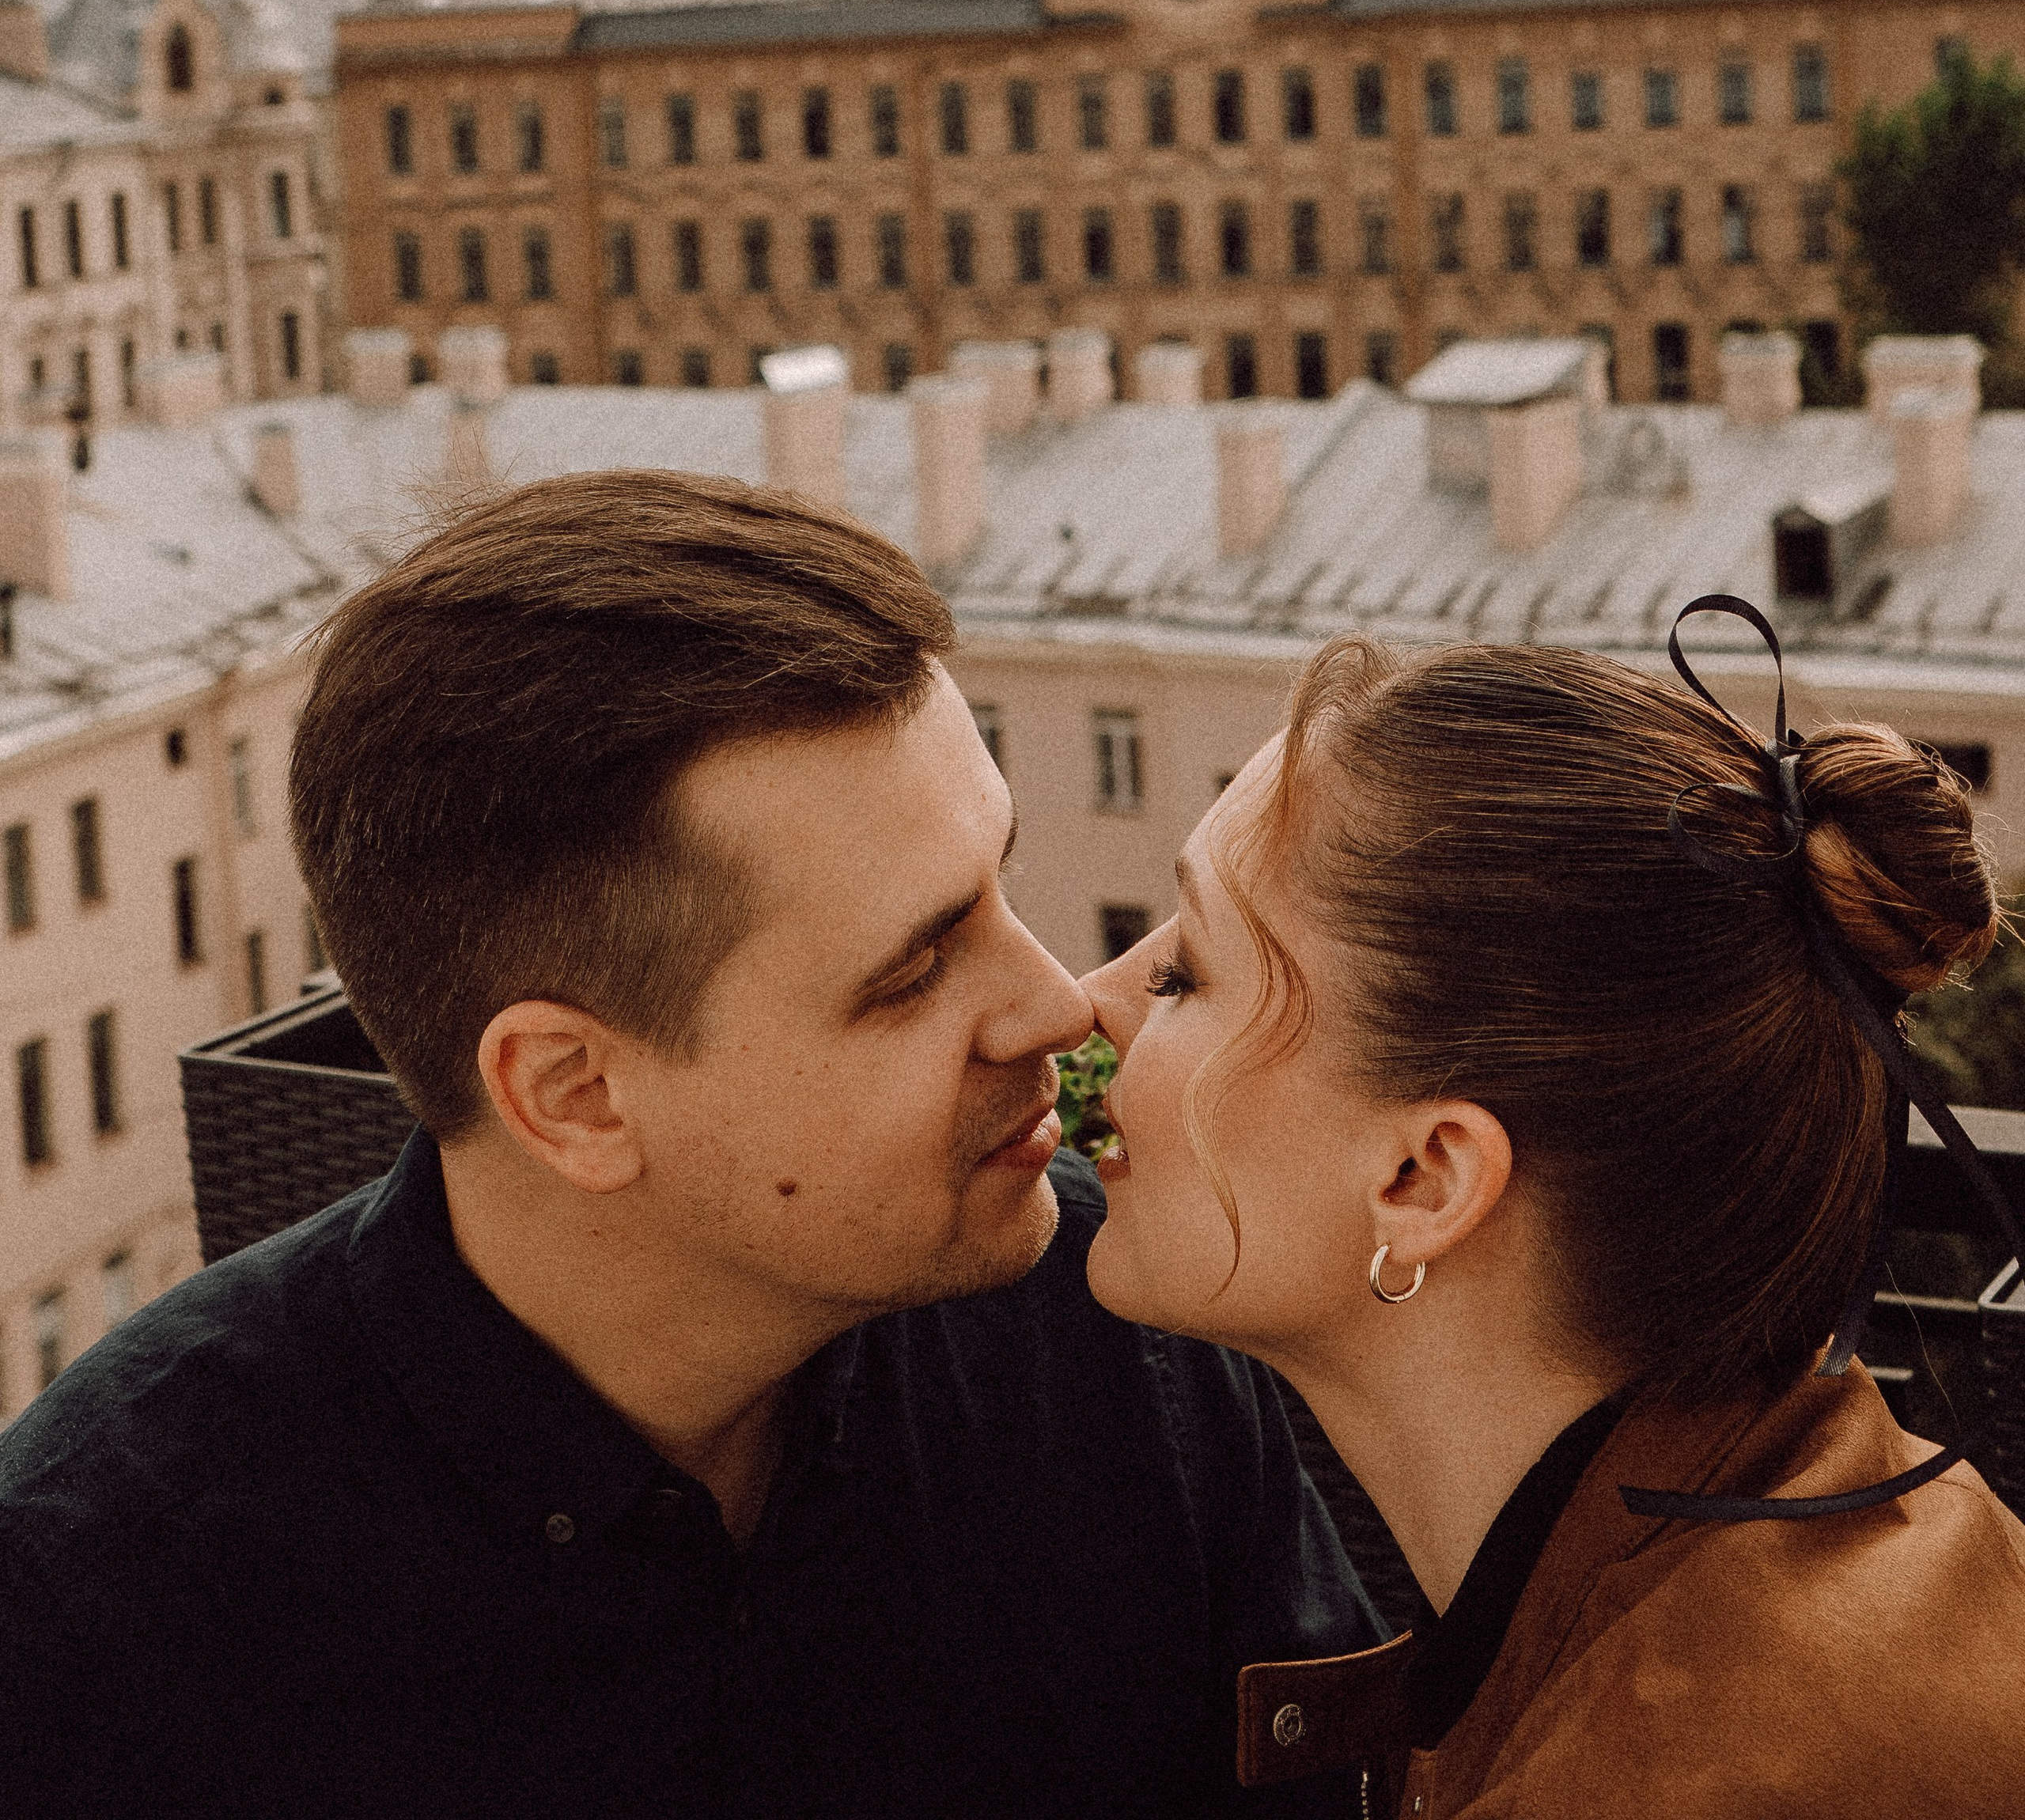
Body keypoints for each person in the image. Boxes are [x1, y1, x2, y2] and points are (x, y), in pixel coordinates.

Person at [0, 474, 1376, 1820]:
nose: (1057, 1004)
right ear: (574, 1094)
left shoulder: (1111, 1341)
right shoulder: (101, 1613)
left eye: (999, 884)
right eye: (911, 970)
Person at [1082, 600, 2025, 1819]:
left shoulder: (1673, 1776)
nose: (1085, 1001)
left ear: (1423, 1179)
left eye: (1182, 974)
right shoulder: (1867, 1548)